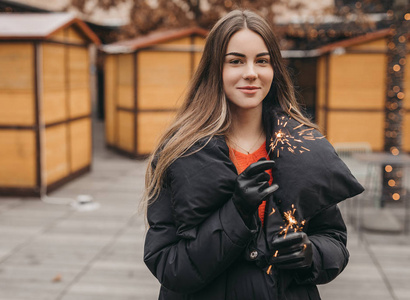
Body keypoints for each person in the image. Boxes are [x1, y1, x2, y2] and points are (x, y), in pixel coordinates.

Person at [141, 9, 364, 300]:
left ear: (275, 70)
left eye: (262, 61)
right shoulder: (179, 152)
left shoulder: (305, 148)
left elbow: (334, 239)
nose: (251, 72)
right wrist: (236, 211)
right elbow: (168, 264)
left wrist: (312, 254)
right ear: (215, 69)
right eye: (235, 61)